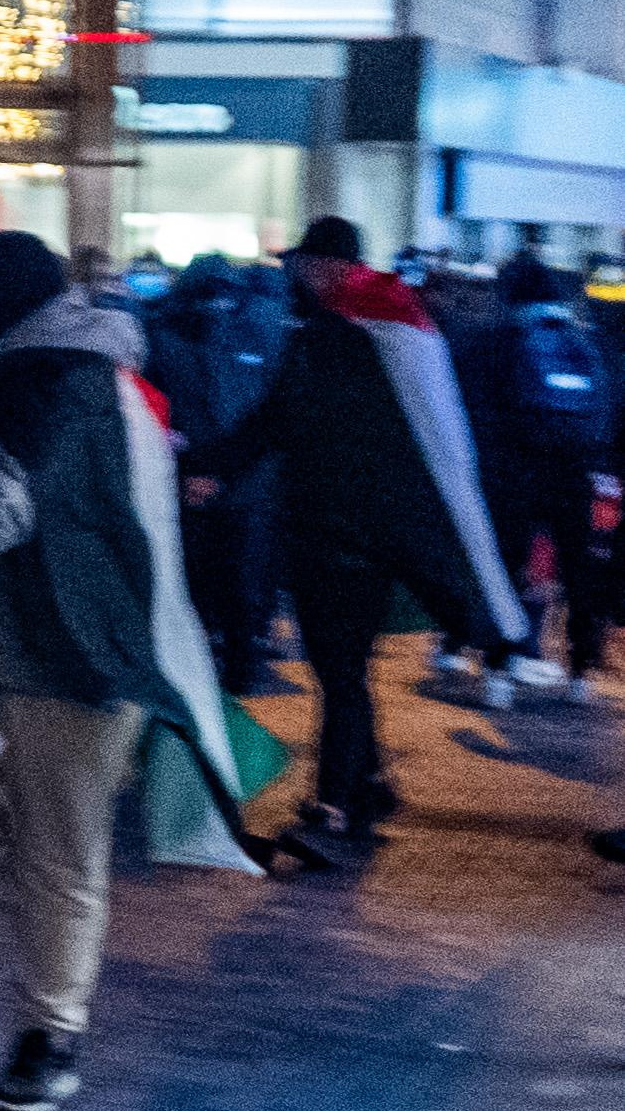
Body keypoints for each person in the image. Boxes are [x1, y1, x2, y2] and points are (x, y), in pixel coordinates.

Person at [0, 233, 222, 1111]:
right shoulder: (15, 370)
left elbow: (10, 505)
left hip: (67, 663)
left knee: (56, 857)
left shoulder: (68, 382)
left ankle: (49, 1033)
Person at [185, 216, 530, 851]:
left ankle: (334, 807)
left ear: (323, 268)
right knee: (345, 672)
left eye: (303, 265)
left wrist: (205, 468)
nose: (296, 275)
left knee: (339, 674)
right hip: (375, 539)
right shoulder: (403, 328)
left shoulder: (333, 337)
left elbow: (278, 420)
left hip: (331, 533)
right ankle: (364, 785)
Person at [460, 251, 611, 700]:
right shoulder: (579, 339)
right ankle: (581, 672)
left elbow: (482, 414)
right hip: (574, 470)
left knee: (507, 569)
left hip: (517, 474)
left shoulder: (500, 339)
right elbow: (604, 407)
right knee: (577, 571)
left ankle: (499, 672)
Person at [146, 256, 281, 694]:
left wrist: (224, 473)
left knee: (242, 586)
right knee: (190, 583)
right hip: (185, 485)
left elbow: (266, 413)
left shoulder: (255, 332)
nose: (214, 305)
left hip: (243, 484)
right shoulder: (163, 334)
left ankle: (241, 672)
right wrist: (188, 469)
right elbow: (153, 408)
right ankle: (198, 672)